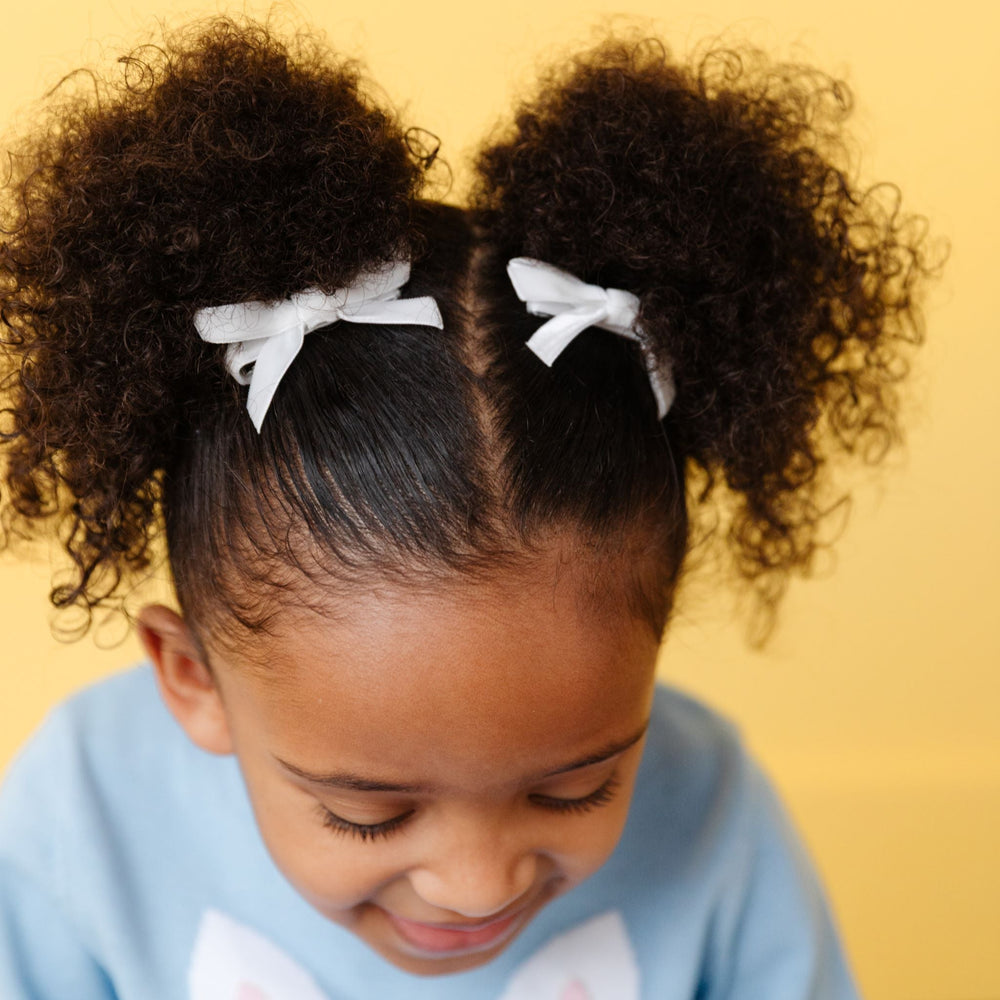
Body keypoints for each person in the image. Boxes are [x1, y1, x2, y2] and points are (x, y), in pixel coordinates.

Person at [0, 16, 933, 999]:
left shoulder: (710, 806)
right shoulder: (86, 809)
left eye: (575, 789)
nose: (475, 885)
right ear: (191, 677)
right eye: (369, 815)